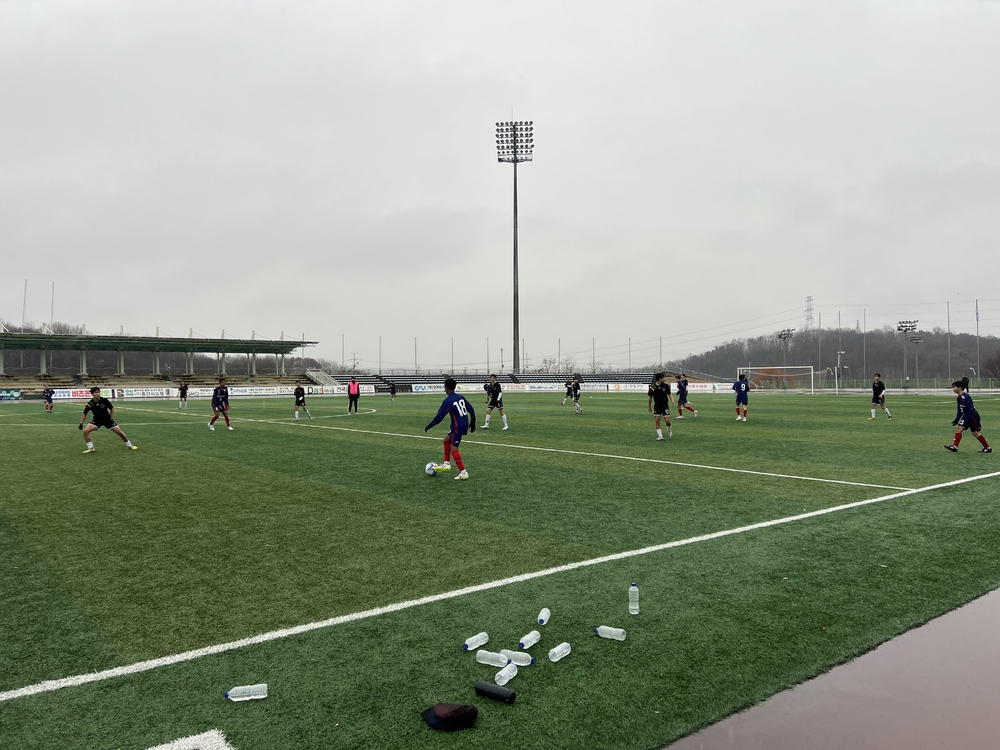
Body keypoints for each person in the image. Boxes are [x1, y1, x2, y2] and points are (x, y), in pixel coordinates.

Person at [425, 377, 476, 480]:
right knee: (446, 439)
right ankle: (446, 463)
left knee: (454, 449)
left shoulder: (448, 401)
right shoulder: (460, 397)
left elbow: (439, 416)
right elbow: (470, 408)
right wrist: (473, 421)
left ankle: (463, 472)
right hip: (462, 424)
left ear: (446, 388)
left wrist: (430, 425)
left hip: (458, 426)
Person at [78, 387, 137, 453]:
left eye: (98, 392)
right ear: (92, 394)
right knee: (86, 431)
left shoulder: (104, 400)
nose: (98, 394)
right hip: (97, 421)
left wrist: (112, 418)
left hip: (108, 420)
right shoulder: (89, 403)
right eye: (96, 392)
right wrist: (81, 423)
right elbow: (84, 413)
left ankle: (130, 446)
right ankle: (91, 448)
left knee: (120, 432)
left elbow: (112, 409)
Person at [945, 377, 991, 453]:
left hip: (972, 416)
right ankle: (955, 447)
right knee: (959, 429)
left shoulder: (966, 397)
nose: (953, 389)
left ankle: (987, 447)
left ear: (960, 388)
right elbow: (960, 409)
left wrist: (969, 418)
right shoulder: (959, 397)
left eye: (954, 387)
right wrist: (957, 419)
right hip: (966, 416)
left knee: (975, 433)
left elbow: (971, 409)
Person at [648, 373, 675, 440]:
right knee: (657, 420)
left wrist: (672, 400)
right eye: (663, 377)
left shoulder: (666, 386)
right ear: (660, 379)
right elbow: (650, 397)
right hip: (657, 405)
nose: (664, 379)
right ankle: (660, 436)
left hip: (665, 405)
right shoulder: (652, 387)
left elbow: (669, 394)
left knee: (667, 421)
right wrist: (649, 407)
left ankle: (669, 428)